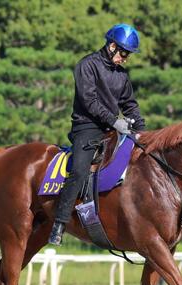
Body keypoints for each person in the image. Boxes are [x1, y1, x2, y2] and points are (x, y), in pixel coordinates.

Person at [49, 23, 146, 245]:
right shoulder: (87, 65)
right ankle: (59, 222)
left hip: (111, 129)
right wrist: (114, 120)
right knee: (80, 171)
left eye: (128, 55)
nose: (125, 58)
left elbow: (130, 105)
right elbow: (89, 101)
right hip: (87, 127)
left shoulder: (121, 75)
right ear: (112, 46)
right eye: (123, 53)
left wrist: (143, 132)